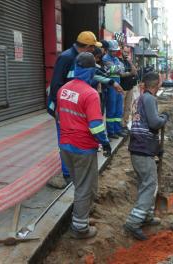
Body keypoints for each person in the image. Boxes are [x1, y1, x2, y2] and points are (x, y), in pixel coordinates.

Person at [56, 52, 112, 239]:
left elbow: (58, 116)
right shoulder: (90, 94)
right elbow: (96, 126)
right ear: (90, 72)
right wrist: (105, 143)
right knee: (83, 187)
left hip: (65, 146)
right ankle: (80, 227)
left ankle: (83, 216)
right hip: (82, 148)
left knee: (82, 182)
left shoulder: (63, 89)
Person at [47, 31, 102, 188]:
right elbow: (56, 83)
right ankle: (67, 174)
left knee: (74, 135)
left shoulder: (81, 58)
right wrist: (58, 108)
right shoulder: (66, 58)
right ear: (85, 47)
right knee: (65, 138)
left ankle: (73, 170)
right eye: (92, 48)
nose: (93, 51)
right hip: (62, 107)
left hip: (74, 104)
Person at [124, 72, 168, 241]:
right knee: (150, 184)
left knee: (146, 182)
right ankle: (133, 222)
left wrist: (156, 150)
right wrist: (164, 119)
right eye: (160, 83)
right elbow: (154, 123)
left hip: (140, 147)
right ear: (156, 84)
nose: (161, 85)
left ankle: (147, 216)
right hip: (142, 149)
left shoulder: (141, 98)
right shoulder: (149, 99)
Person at [103, 40, 127, 139]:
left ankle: (118, 130)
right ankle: (111, 132)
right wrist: (117, 69)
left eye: (115, 50)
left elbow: (122, 69)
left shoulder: (116, 59)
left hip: (118, 86)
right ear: (108, 50)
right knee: (111, 109)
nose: (114, 52)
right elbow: (116, 69)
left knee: (118, 109)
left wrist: (116, 69)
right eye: (113, 50)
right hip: (111, 87)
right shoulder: (105, 58)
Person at [119, 46, 138, 130]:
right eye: (125, 52)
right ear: (121, 50)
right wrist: (130, 73)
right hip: (122, 88)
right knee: (121, 107)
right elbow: (121, 74)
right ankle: (119, 125)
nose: (126, 54)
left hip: (130, 87)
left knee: (128, 107)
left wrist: (130, 62)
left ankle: (124, 124)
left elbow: (135, 72)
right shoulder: (118, 61)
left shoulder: (128, 62)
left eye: (128, 52)